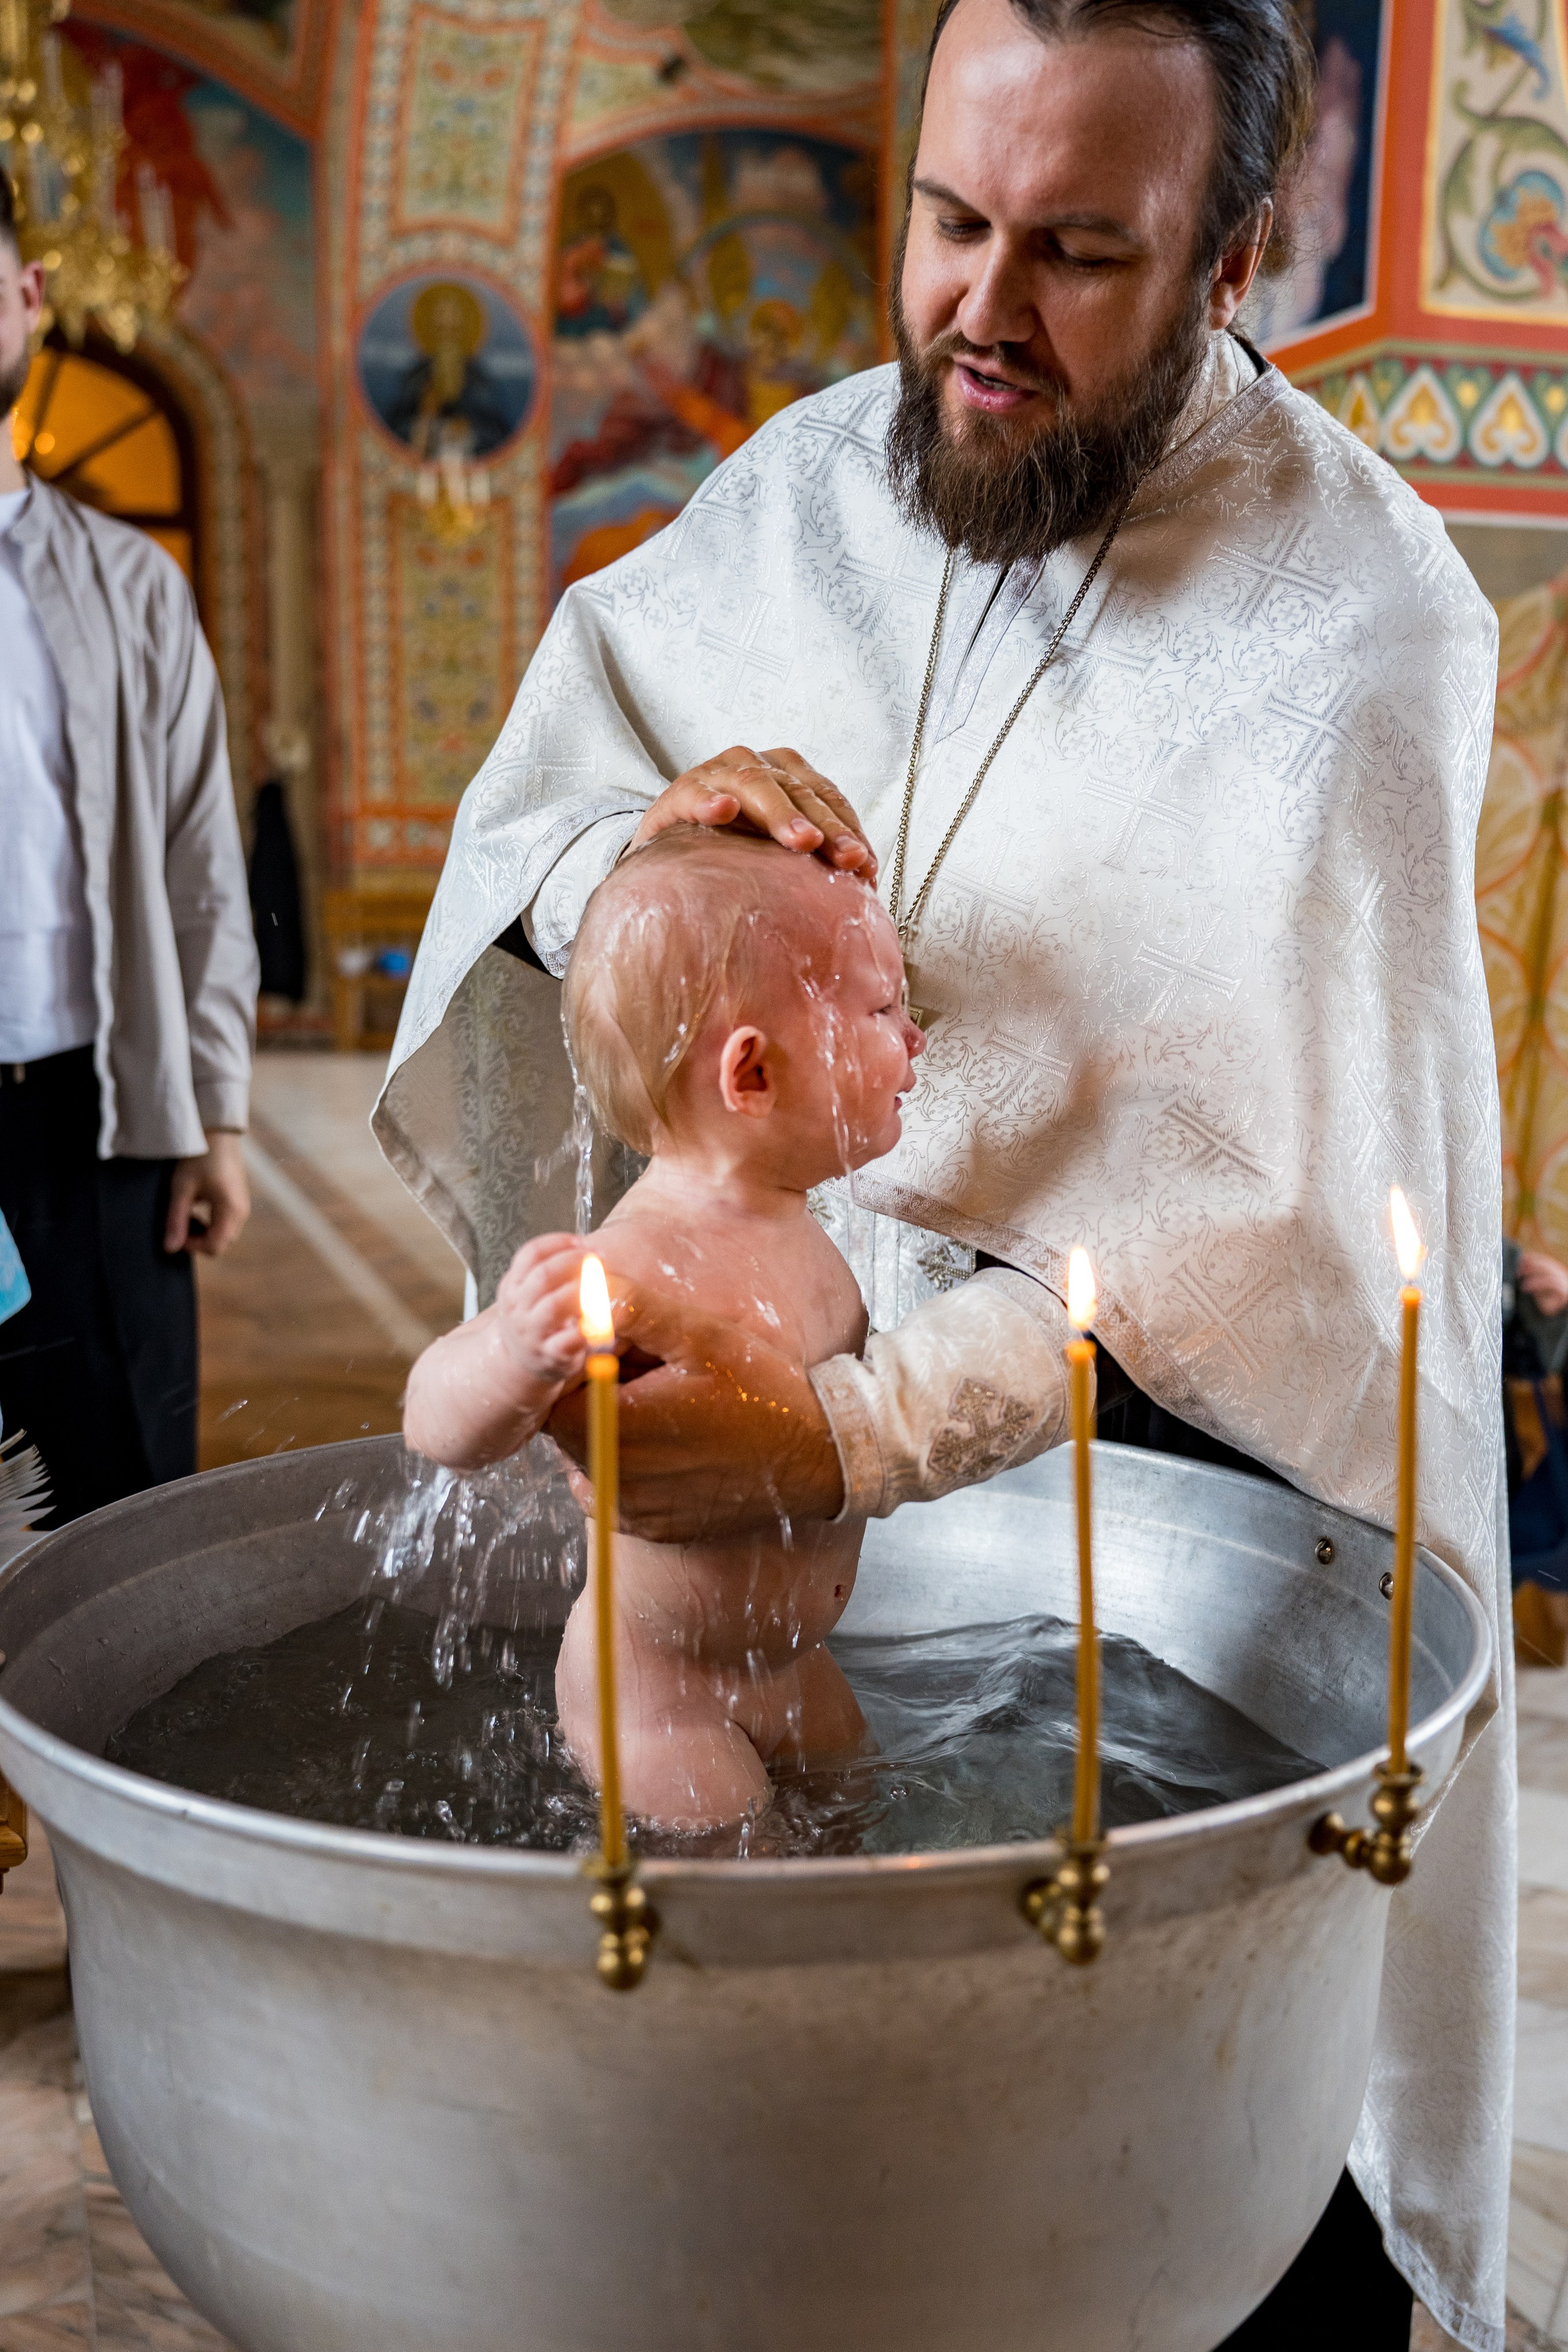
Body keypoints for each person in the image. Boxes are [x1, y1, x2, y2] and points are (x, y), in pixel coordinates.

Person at [375, 2, 1509, 2344]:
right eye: (949, 219)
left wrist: (853, 1433)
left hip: (1179, 1477)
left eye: (1077, 250)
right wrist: (654, 861)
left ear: (1235, 256)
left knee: (1200, 2186)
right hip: (787, 1448)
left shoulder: (1362, 625)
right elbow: (547, 816)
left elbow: (1263, 1217)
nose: (980, 312)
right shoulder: (811, 486)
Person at [404, 830, 923, 1827]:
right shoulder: (637, 1269)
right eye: (883, 1009)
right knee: (734, 1883)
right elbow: (433, 1422)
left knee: (861, 1827)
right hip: (657, 1697)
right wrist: (514, 1350)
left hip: (790, 1663)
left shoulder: (801, 1230)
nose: (915, 1037)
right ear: (752, 1074)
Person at [0, 165, 257, 1528]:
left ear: (29, 297)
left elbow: (200, 861)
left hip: (103, 1118)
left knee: (130, 1511)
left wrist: (216, 1115)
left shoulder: (133, 586)